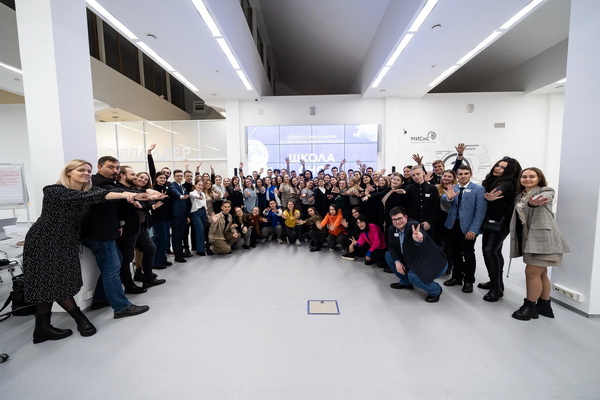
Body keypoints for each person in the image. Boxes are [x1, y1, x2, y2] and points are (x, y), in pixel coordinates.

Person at [23, 160, 148, 344]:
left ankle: (42, 329)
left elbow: (109, 192)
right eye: (81, 170)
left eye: (88, 171)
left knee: (50, 282)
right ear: (68, 172)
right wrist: (126, 194)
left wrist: (141, 194)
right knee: (53, 282)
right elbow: (95, 196)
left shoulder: (89, 191)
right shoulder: (53, 190)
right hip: (44, 240)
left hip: (66, 241)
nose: (86, 173)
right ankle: (80, 320)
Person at [81, 156, 151, 320]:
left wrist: (118, 224)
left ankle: (100, 298)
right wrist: (143, 193)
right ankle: (121, 307)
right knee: (112, 268)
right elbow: (116, 193)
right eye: (111, 167)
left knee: (117, 261)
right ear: (100, 167)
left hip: (106, 231)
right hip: (100, 234)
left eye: (117, 167)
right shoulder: (98, 184)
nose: (115, 170)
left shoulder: (107, 183)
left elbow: (111, 207)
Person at [509, 167, 570, 321]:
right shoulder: (520, 195)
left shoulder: (545, 191)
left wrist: (534, 203)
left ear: (539, 178)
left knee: (531, 273)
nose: (527, 179)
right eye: (524, 176)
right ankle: (544, 306)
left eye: (532, 176)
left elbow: (545, 197)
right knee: (541, 273)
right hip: (530, 239)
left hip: (543, 239)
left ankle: (529, 307)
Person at [479, 156, 522, 302]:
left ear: (509, 171)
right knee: (496, 252)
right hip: (494, 223)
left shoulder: (508, 182)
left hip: (498, 224)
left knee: (489, 251)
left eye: (503, 168)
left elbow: (502, 189)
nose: (498, 168)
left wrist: (492, 194)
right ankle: (497, 283)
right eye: (498, 165)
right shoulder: (495, 180)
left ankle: (495, 289)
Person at [384, 207, 448, 302]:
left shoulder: (413, 226)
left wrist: (419, 239)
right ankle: (406, 282)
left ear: (406, 217)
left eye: (400, 218)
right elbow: (392, 246)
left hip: (432, 263)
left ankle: (435, 290)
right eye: (394, 219)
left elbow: (421, 236)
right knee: (389, 255)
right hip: (413, 259)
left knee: (413, 277)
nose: (397, 222)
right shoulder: (392, 229)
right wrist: (397, 262)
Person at [442, 165, 487, 293]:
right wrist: (449, 197)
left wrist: (473, 230)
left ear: (470, 174)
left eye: (466, 173)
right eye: (460, 174)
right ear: (456, 176)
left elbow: (480, 211)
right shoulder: (453, 187)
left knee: (468, 254)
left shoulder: (478, 189)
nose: (463, 176)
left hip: (468, 227)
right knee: (455, 252)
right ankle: (456, 277)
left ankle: (468, 280)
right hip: (453, 225)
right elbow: (444, 200)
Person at [168, 169, 191, 263]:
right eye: (177, 176)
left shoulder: (182, 187)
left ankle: (180, 252)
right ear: (174, 177)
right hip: (176, 215)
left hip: (183, 214)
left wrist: (187, 216)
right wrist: (181, 196)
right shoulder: (172, 185)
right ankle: (177, 256)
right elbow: (174, 192)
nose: (179, 177)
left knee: (181, 235)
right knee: (176, 235)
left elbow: (186, 202)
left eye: (181, 176)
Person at [189, 179, 208, 256]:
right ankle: (200, 250)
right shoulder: (192, 193)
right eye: (199, 185)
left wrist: (206, 211)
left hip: (203, 212)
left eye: (202, 185)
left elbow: (204, 203)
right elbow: (194, 196)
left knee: (204, 229)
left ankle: (201, 247)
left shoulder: (203, 193)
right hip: (195, 212)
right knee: (199, 230)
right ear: (195, 185)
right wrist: (198, 196)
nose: (200, 186)